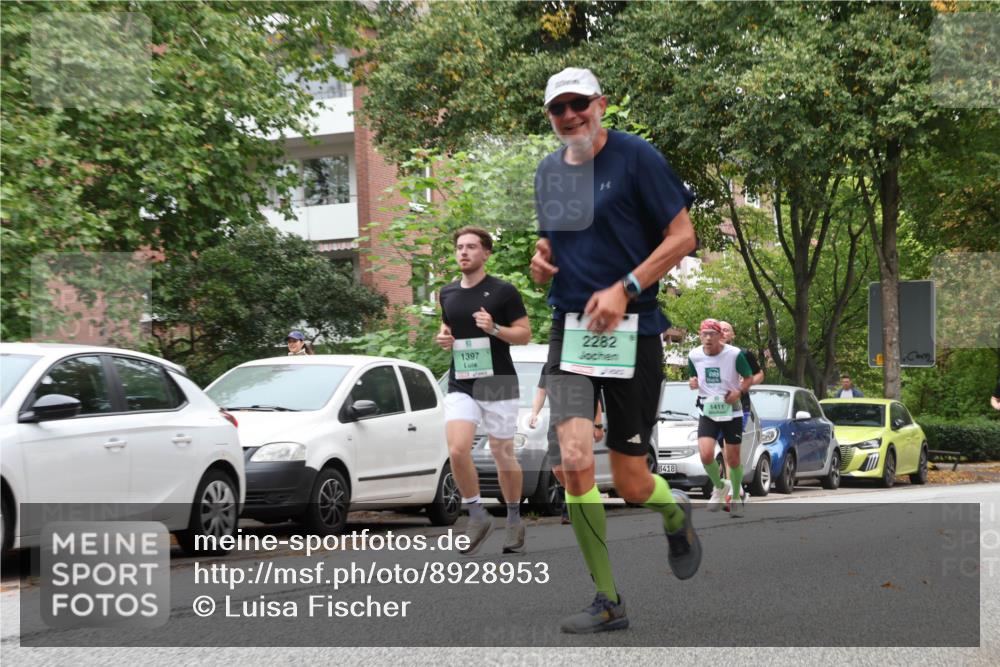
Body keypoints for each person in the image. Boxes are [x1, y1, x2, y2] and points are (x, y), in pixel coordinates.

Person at [531, 66, 700, 634]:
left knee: (630, 483)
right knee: (574, 461)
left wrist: (626, 289)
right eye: (559, 108)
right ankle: (608, 600)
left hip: (634, 330)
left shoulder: (637, 158)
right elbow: (556, 241)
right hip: (572, 327)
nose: (570, 116)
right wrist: (541, 259)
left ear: (601, 104)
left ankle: (675, 516)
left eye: (579, 103)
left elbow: (683, 237)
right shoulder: (550, 171)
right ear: (550, 116)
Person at [436, 226, 532, 555]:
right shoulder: (447, 293)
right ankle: (477, 513)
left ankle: (514, 517)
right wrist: (444, 337)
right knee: (458, 449)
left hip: (498, 381)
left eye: (471, 247)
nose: (463, 252)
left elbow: (524, 334)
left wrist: (494, 328)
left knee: (501, 453)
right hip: (461, 380)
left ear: (486, 253)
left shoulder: (503, 291)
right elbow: (447, 326)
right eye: (459, 247)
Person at [688, 319, 754, 517]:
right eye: (704, 334)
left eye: (712, 334)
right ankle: (719, 486)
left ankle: (735, 498)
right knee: (706, 454)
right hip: (708, 410)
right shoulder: (694, 355)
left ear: (720, 336)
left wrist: (739, 392)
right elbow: (694, 378)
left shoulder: (734, 355)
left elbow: (749, 377)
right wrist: (692, 383)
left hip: (731, 410)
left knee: (733, 459)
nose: (708, 338)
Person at [529, 365, 604, 525]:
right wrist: (534, 413)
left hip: (580, 420)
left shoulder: (577, 365)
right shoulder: (548, 366)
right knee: (557, 468)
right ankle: (580, 497)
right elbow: (541, 391)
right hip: (556, 421)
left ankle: (575, 507)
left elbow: (594, 397)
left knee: (577, 465)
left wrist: (597, 424)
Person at [716, 320, 765, 503]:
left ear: (732, 335)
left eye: (727, 330)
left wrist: (743, 386)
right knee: (723, 451)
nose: (723, 332)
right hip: (715, 409)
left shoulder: (742, 354)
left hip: (739, 407)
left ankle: (732, 492)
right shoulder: (708, 355)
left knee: (730, 450)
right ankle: (735, 489)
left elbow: (759, 374)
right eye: (719, 330)